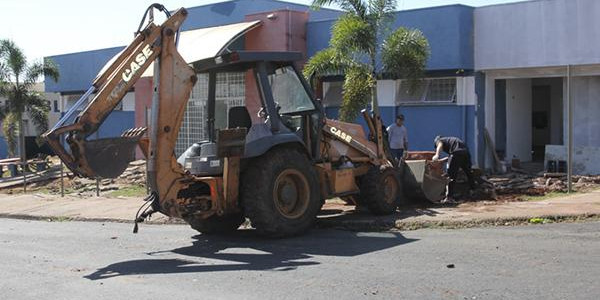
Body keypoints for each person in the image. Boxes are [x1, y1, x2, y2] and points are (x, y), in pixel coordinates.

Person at [432, 135, 475, 204]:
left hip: (457, 154)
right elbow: (451, 157)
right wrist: (441, 161)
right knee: (469, 172)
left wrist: (437, 155)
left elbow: (440, 145)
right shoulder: (452, 142)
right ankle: (473, 190)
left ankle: (449, 197)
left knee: (450, 175)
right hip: (466, 153)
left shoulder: (440, 140)